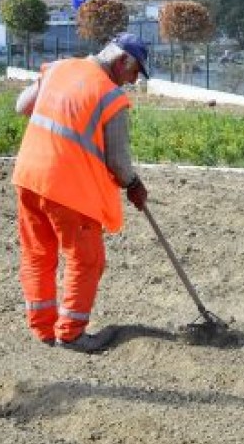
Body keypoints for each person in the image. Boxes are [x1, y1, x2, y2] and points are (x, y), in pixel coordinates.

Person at [11, 33, 151, 353]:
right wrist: (133, 184)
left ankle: (43, 328)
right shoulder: (109, 96)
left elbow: (22, 106)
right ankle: (72, 333)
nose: (132, 80)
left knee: (38, 252)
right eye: (134, 72)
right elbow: (117, 160)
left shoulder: (59, 68)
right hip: (67, 188)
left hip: (29, 176)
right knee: (86, 259)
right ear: (121, 61)